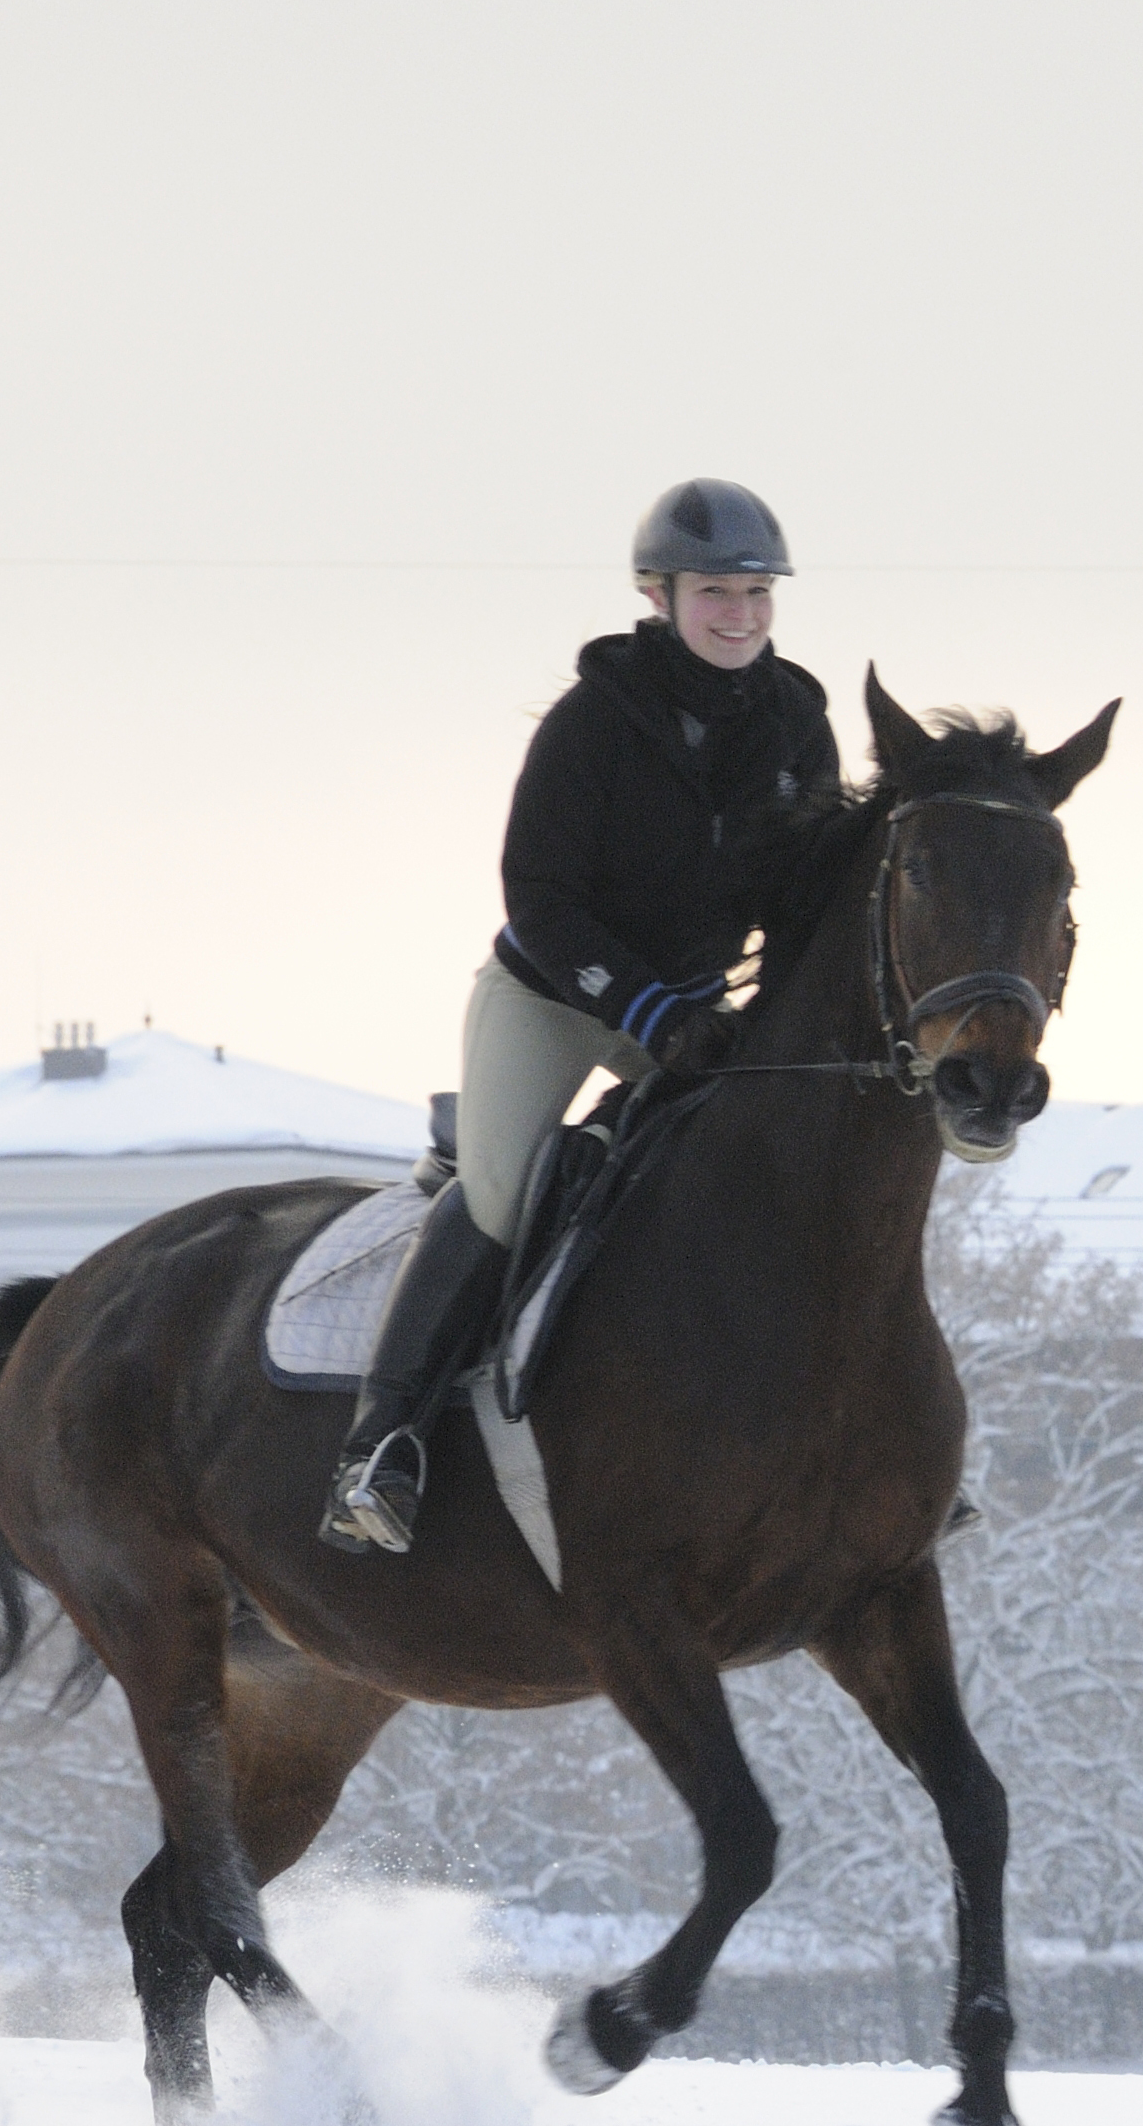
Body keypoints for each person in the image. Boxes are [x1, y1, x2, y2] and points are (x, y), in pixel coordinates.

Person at [318, 479, 844, 1554]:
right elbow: (539, 896)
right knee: (506, 1190)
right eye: (714, 592)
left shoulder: (797, 719)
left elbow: (806, 888)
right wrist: (645, 1008)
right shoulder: (593, 721)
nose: (738, 612)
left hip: (694, 1008)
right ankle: (383, 1443)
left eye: (755, 591)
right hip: (556, 995)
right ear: (659, 594)